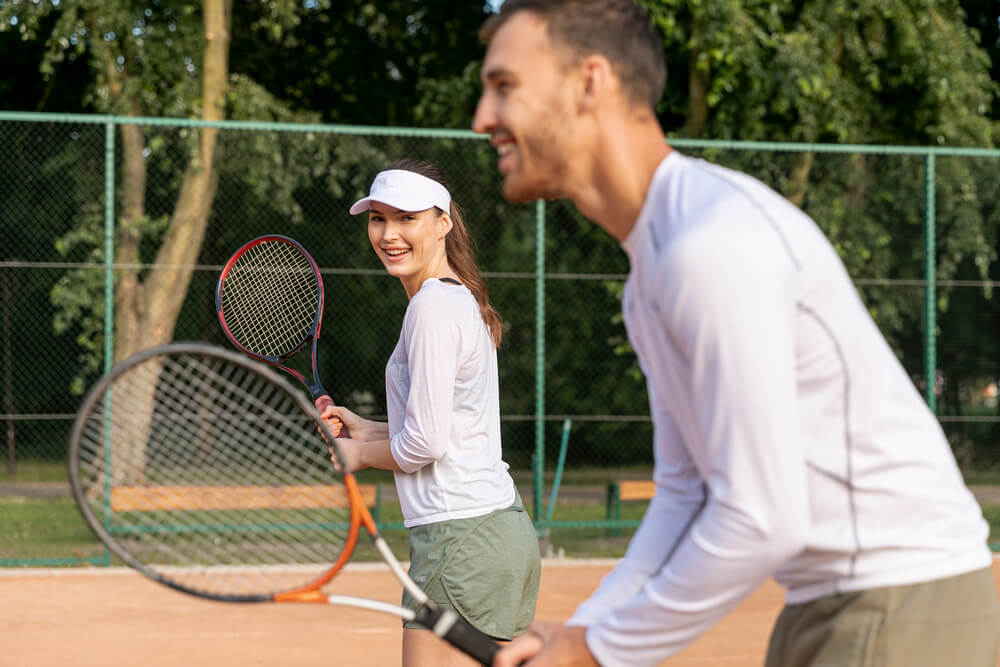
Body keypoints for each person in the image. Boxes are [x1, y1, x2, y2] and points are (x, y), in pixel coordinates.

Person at [471, 2, 1000, 666]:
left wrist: (600, 647)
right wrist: (579, 630)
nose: (482, 117)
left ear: (590, 83)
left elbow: (763, 514)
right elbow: (688, 492)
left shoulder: (710, 245)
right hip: (846, 603)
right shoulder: (653, 271)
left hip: (897, 606)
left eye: (505, 85)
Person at [317, 158, 541, 666]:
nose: (389, 234)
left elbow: (426, 444)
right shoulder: (455, 299)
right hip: (492, 531)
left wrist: (358, 456)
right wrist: (367, 428)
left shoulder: (431, 308)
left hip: (460, 541)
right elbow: (444, 425)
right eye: (378, 219)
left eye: (406, 218)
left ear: (443, 223)